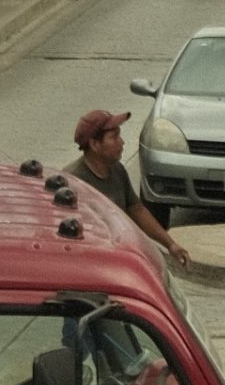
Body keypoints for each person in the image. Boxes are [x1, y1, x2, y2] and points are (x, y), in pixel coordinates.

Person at [67, 110, 191, 267]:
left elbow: (136, 209)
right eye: (114, 137)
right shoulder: (74, 181)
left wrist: (171, 245)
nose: (122, 142)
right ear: (94, 144)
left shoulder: (117, 169)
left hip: (117, 255)